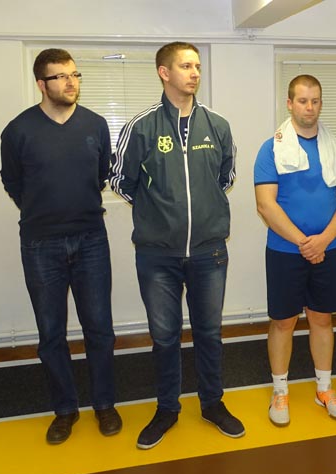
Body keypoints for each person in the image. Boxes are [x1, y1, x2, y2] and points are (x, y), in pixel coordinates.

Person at [109, 42, 243, 449]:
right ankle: (167, 408)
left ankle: (212, 404)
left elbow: (225, 176)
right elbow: (121, 180)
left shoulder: (217, 125)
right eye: (186, 66)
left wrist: (200, 209)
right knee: (165, 337)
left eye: (197, 65)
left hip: (208, 251)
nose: (194, 72)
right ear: (164, 73)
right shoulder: (142, 126)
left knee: (209, 334)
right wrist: (158, 211)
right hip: (157, 255)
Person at [0, 48, 122, 444]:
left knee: (99, 329)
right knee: (51, 333)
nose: (71, 82)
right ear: (41, 84)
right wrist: (43, 211)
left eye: (75, 74)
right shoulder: (18, 131)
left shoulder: (96, 125)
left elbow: (101, 175)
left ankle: (104, 404)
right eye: (61, 76)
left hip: (91, 239)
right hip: (41, 244)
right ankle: (65, 410)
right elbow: (13, 182)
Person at [254, 74, 336, 427]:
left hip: (327, 249)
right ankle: (280, 391)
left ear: (321, 104)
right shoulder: (271, 149)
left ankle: (324, 389)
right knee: (283, 321)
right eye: (302, 100)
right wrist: (305, 242)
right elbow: (266, 205)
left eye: (315, 101)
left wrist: (323, 240)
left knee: (322, 318)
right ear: (289, 103)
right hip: (286, 252)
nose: (309, 107)